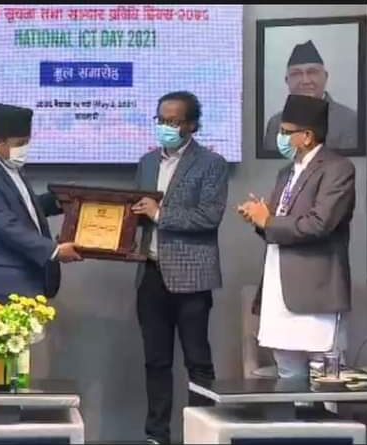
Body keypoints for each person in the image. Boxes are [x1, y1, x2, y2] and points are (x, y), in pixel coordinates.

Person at [132, 91, 229, 445]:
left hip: (192, 277)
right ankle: (157, 436)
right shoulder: (146, 162)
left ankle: (202, 434)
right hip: (151, 273)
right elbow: (136, 212)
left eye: (173, 121)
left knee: (198, 361)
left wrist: (160, 214)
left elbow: (209, 216)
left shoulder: (211, 163)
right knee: (155, 362)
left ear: (192, 125)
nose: (166, 127)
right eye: (161, 120)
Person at [0, 103, 83, 376]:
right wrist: (53, 250)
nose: (25, 148)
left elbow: (22, 209)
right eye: (19, 143)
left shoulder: (8, 170)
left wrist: (60, 202)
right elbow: (6, 225)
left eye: (27, 141)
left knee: (14, 376)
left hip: (16, 289)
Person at [238, 94, 355, 379]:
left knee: (325, 380)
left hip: (314, 292)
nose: (280, 137)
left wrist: (269, 221)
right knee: (289, 376)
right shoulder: (286, 172)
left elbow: (319, 224)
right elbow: (277, 226)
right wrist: (260, 219)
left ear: (307, 136)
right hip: (279, 289)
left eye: (285, 131)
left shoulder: (337, 169)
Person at [263, 40, 358, 151]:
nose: (305, 81)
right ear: (287, 80)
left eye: (312, 72)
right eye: (296, 74)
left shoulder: (349, 120)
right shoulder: (275, 123)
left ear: (325, 76)